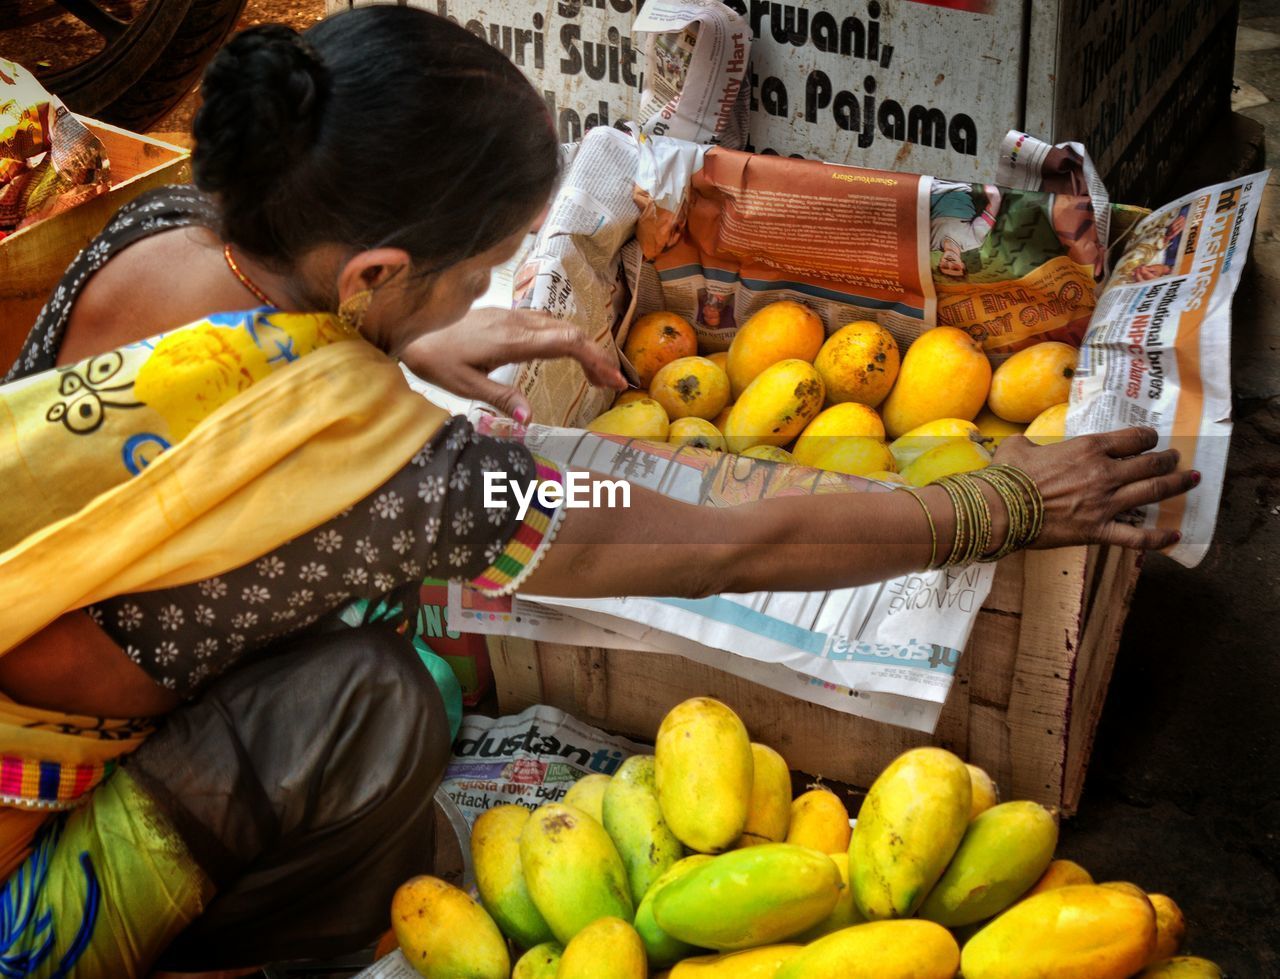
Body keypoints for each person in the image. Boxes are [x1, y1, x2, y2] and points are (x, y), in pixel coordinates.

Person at [0, 8, 1195, 976]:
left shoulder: (148, 229)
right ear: (370, 273)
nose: (482, 297)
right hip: (23, 886)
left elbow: (233, 378)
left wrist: (405, 345)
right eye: (469, 276)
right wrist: (991, 504)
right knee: (384, 693)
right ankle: (270, 949)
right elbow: (726, 539)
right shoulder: (415, 484)